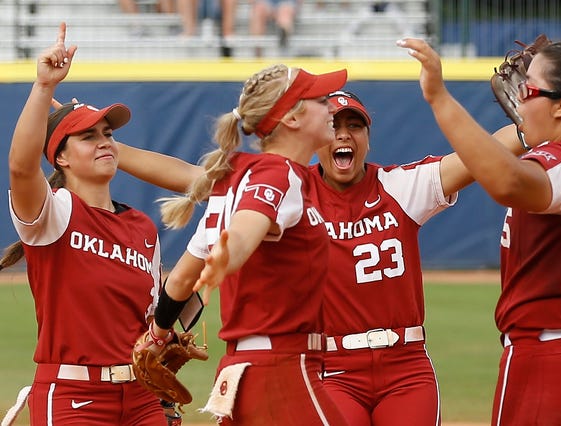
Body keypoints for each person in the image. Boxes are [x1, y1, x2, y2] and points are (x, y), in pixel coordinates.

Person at [115, 85, 523, 425]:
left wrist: (533, 125)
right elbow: (191, 177)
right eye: (337, 124)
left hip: (405, 365)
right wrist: (110, 147)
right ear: (323, 134)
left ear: (368, 136)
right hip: (331, 365)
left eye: (356, 125)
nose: (345, 134)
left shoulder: (400, 187)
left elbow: (476, 157)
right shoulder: (289, 186)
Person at [397, 37, 561, 425]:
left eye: (530, 89)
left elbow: (508, 181)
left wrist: (439, 99)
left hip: (559, 365)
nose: (519, 95)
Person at [136, 64, 350, 425]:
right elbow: (243, 233)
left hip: (245, 371)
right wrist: (229, 256)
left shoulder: (234, 176)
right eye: (321, 100)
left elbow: (180, 280)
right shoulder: (278, 173)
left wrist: (157, 334)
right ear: (293, 118)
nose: (332, 107)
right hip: (280, 374)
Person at [2, 22, 168, 425]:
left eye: (107, 133)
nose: (104, 142)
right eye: (88, 137)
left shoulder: (142, 227)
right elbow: (21, 169)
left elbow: (150, 316)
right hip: (74, 397)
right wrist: (44, 88)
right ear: (60, 157)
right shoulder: (55, 215)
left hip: (142, 397)